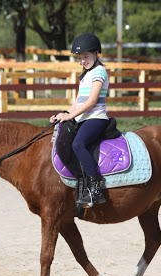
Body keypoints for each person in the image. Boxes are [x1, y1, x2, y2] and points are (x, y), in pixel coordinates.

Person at [50, 33, 109, 207]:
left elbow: (91, 102)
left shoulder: (99, 72)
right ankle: (79, 183)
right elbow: (78, 101)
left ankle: (96, 188)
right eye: (79, 58)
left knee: (78, 144)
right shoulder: (86, 75)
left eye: (86, 57)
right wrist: (63, 114)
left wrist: (71, 116)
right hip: (83, 118)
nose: (82, 61)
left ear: (97, 53)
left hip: (96, 118)